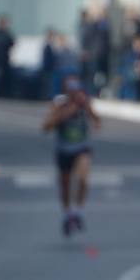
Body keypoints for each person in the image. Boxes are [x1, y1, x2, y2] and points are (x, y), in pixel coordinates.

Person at [42, 73, 99, 236]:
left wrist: (88, 110)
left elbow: (96, 120)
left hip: (82, 147)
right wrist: (68, 111)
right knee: (65, 184)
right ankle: (67, 214)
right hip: (64, 149)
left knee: (83, 176)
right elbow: (46, 126)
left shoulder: (85, 102)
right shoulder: (59, 103)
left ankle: (78, 211)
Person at [0, 15, 16, 98]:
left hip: (6, 57)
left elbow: (12, 43)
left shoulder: (7, 33)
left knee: (7, 76)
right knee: (0, 76)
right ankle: (0, 93)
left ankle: (6, 93)